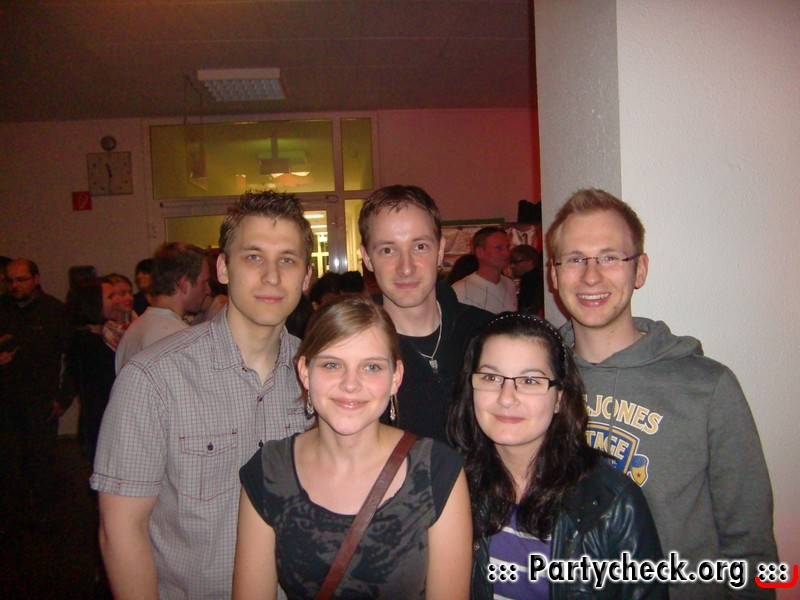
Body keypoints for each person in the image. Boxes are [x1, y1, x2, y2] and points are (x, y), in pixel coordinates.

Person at [546, 188, 777, 599]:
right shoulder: (534, 384)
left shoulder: (708, 387)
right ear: (554, 274)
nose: (591, 276)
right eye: (575, 259)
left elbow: (750, 545)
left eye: (610, 257)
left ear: (640, 270)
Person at [91, 190, 314, 599]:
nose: (271, 276)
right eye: (253, 257)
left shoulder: (321, 376)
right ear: (223, 269)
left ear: (306, 276)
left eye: (287, 259)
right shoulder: (154, 379)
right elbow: (121, 529)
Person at [233, 295, 472, 599]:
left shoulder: (437, 471)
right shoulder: (269, 470)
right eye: (332, 364)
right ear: (305, 371)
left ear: (395, 377)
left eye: (371, 367)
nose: (350, 384)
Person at [449, 312, 665, 599]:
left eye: (530, 381)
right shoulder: (452, 488)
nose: (506, 397)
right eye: (490, 377)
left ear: (559, 398)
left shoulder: (611, 502)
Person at [358, 185, 493, 443]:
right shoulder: (353, 350)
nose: (406, 268)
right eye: (388, 250)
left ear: (440, 251)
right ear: (367, 257)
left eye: (420, 246)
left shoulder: (487, 333)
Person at [0, 258, 75, 534]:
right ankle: (11, 517)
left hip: (40, 400)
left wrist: (63, 398)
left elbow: (72, 358)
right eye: (9, 280)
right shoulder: (2, 308)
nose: (14, 285)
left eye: (20, 279)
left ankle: (44, 516)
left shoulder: (54, 311)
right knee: (7, 462)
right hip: (5, 400)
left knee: (40, 460)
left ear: (36, 279)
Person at [114, 241, 210, 373]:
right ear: (183, 284)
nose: (208, 290)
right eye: (204, 282)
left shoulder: (132, 332)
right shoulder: (181, 339)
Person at [65, 279, 117, 463]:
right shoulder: (86, 343)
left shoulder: (98, 337)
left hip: (100, 424)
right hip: (98, 426)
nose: (116, 301)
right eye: (110, 296)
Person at [451, 226, 517, 313]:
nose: (507, 253)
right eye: (498, 248)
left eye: (507, 247)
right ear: (480, 252)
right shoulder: (461, 289)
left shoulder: (509, 284)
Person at [101, 272, 137, 351]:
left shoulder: (138, 320)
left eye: (130, 293)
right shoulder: (104, 331)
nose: (130, 298)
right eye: (122, 294)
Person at [509, 243, 544, 315]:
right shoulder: (538, 275)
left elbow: (525, 305)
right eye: (510, 262)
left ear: (530, 260)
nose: (511, 266)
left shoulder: (529, 278)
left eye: (516, 262)